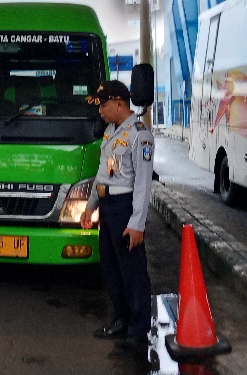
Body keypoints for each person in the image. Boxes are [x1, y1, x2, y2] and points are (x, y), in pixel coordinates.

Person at [81, 80, 154, 352]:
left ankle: (138, 331)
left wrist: (137, 224)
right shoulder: (111, 132)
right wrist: (91, 205)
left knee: (132, 271)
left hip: (125, 209)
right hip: (108, 208)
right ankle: (121, 319)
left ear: (119, 103)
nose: (99, 110)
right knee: (111, 269)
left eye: (103, 104)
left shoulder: (139, 135)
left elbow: (143, 184)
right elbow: (103, 175)